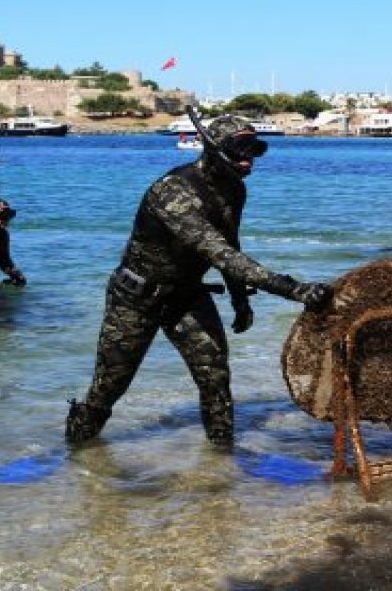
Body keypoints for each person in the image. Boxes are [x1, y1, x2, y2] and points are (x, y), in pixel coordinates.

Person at [66, 115, 332, 448]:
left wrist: (240, 299)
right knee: (109, 387)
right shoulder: (173, 192)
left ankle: (223, 461)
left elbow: (230, 243)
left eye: (255, 148)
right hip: (135, 298)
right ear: (213, 149)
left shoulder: (234, 189)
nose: (249, 158)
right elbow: (219, 253)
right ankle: (75, 454)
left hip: (186, 295)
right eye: (240, 148)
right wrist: (294, 289)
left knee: (215, 376)